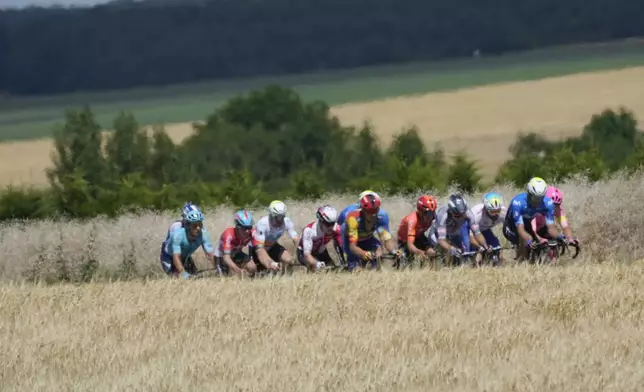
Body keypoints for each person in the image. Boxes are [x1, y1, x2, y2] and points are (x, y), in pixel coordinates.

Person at [341, 193, 403, 272]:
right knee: (356, 269)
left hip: (367, 238)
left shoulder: (381, 216)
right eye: (370, 211)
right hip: (350, 240)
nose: (373, 214)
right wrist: (364, 253)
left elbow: (386, 238)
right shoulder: (353, 219)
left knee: (379, 254)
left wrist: (394, 251)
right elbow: (353, 247)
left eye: (376, 210)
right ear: (363, 210)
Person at [502, 177, 559, 260]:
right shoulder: (518, 202)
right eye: (535, 198)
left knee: (537, 245)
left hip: (526, 224)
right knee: (524, 243)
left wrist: (561, 237)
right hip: (512, 227)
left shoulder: (548, 203)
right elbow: (520, 229)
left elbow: (551, 228)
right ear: (529, 193)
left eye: (541, 198)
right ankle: (520, 263)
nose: (537, 201)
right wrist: (528, 241)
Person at [430, 193, 488, 266]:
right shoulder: (443, 214)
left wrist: (485, 246)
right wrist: (451, 248)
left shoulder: (468, 213)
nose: (460, 217)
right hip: (438, 233)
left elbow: (477, 233)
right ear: (451, 211)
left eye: (462, 214)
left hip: (454, 232)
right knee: (444, 252)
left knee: (463, 252)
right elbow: (441, 240)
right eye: (457, 215)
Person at [160, 207, 215, 279]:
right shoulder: (177, 232)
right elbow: (176, 256)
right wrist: (183, 273)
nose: (198, 228)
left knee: (195, 278)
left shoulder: (203, 234)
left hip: (185, 256)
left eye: (200, 224)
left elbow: (210, 254)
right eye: (195, 225)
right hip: (169, 256)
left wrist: (219, 268)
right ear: (188, 225)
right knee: (177, 278)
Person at [250, 200, 300, 273]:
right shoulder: (263, 223)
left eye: (283, 216)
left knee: (289, 261)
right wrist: (271, 263)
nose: (281, 220)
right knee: (266, 269)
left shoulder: (286, 221)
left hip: (272, 245)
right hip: (257, 248)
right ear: (271, 216)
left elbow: (296, 240)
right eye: (278, 217)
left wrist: (298, 255)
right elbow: (260, 249)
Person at [297, 205, 345, 272]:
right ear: (321, 221)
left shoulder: (336, 228)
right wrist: (317, 263)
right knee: (315, 269)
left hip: (321, 251)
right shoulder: (309, 230)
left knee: (333, 270)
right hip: (304, 253)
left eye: (333, 223)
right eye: (328, 224)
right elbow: (307, 255)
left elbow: (342, 246)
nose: (331, 227)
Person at [214, 209, 259, 277]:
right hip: (222, 256)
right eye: (244, 228)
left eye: (249, 227)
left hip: (236, 253)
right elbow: (226, 258)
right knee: (224, 278)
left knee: (252, 268)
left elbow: (261, 247)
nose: (247, 231)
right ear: (237, 227)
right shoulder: (228, 234)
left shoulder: (252, 232)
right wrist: (238, 270)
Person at [396, 195, 438, 264]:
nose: (430, 217)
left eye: (432, 213)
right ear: (420, 211)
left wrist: (428, 249)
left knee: (432, 252)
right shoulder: (412, 220)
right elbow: (410, 245)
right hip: (404, 240)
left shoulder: (433, 217)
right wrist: (420, 252)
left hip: (419, 236)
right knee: (407, 259)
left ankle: (432, 272)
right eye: (427, 213)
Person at [468, 192, 507, 265]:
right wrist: (481, 247)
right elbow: (473, 234)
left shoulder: (504, 212)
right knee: (476, 253)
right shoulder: (476, 214)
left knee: (497, 248)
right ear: (485, 209)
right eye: (492, 211)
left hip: (485, 229)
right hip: (471, 231)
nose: (495, 213)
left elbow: (510, 227)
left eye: (498, 211)